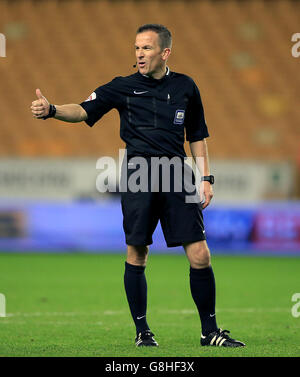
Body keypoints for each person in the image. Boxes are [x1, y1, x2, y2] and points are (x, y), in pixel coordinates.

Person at [31, 24, 245, 348]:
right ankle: (143, 331)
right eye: (136, 48)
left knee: (200, 255)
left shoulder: (186, 86)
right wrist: (52, 111)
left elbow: (197, 135)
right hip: (138, 176)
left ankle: (209, 331)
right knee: (137, 252)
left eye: (146, 48)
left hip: (176, 174)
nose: (139, 54)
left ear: (165, 52)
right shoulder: (122, 87)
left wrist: (205, 178)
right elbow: (83, 110)